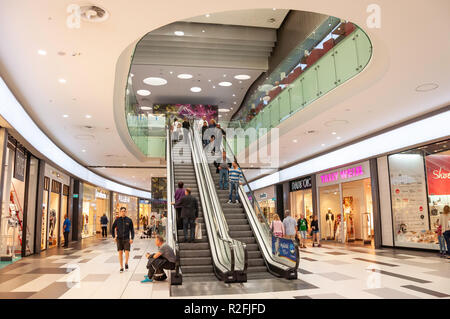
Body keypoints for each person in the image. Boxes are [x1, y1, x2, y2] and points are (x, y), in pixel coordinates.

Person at [111, 207, 135, 273]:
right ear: (120, 212)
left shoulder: (129, 220)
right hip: (119, 239)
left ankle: (126, 262)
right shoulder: (117, 220)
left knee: (127, 252)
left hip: (127, 239)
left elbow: (132, 230)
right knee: (120, 253)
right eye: (122, 211)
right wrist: (114, 237)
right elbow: (112, 228)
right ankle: (121, 267)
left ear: (126, 212)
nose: (123, 212)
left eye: (124, 211)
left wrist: (132, 238)